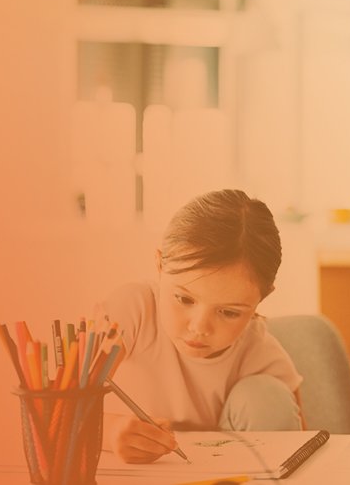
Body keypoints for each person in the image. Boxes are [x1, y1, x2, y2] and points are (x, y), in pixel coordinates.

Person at [100, 189, 303, 463]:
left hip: (224, 475)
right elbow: (53, 411)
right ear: (160, 266)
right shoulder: (132, 309)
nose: (199, 327)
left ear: (260, 301)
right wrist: (109, 432)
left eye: (229, 312)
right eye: (184, 298)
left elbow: (301, 446)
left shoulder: (257, 349)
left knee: (266, 397)